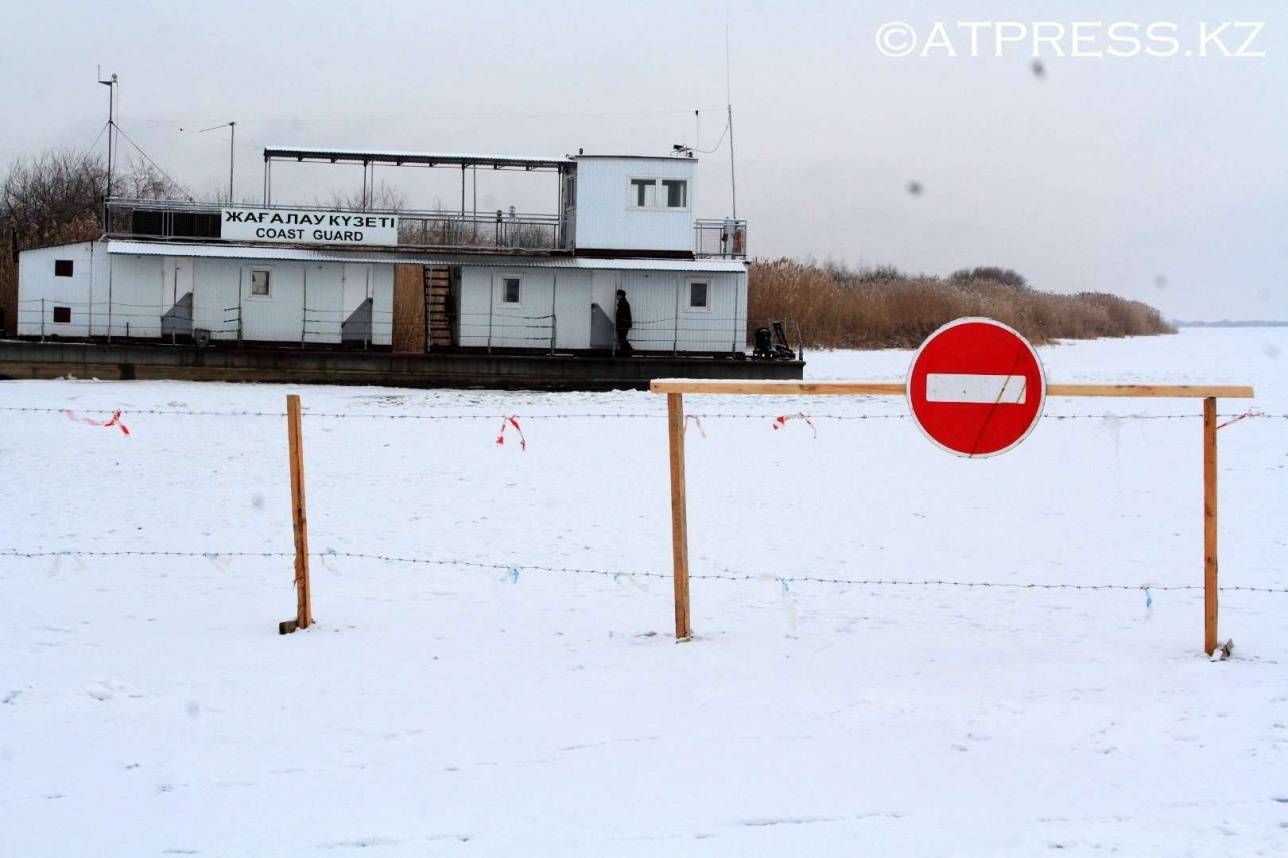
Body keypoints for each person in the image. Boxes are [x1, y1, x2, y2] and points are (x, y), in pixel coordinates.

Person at [614, 289, 633, 354]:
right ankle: (625, 351)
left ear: (621, 296)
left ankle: (629, 349)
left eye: (618, 295)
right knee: (622, 338)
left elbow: (621, 314)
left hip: (623, 323)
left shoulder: (623, 303)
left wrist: (618, 318)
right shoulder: (623, 302)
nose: (617, 296)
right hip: (624, 323)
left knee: (622, 338)